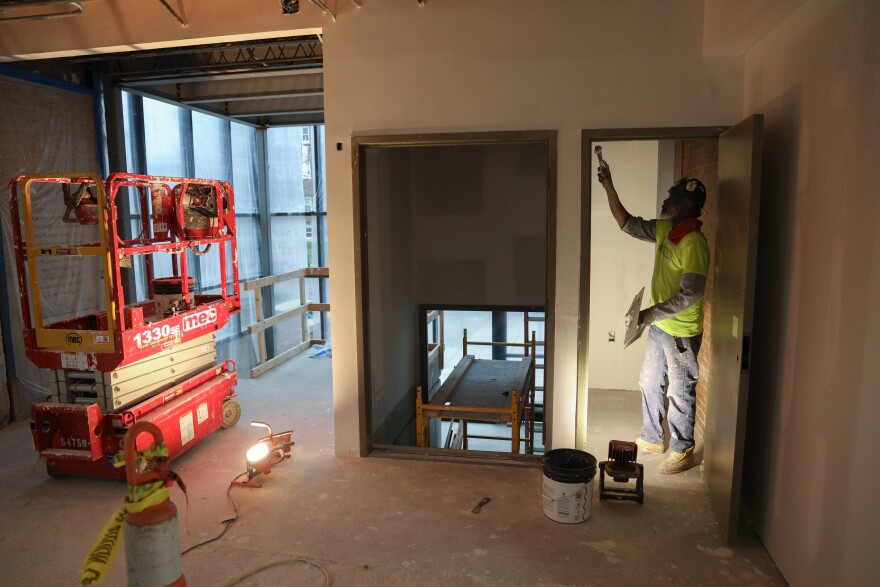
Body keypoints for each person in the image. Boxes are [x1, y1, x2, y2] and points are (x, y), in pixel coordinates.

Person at [597, 160, 709, 475]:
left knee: (678, 388)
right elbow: (627, 223)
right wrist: (608, 185)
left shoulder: (693, 242)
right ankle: (651, 436)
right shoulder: (666, 229)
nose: (665, 201)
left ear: (687, 205)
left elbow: (691, 294)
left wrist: (648, 313)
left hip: (681, 332)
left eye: (672, 197)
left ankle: (682, 448)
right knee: (648, 380)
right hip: (659, 326)